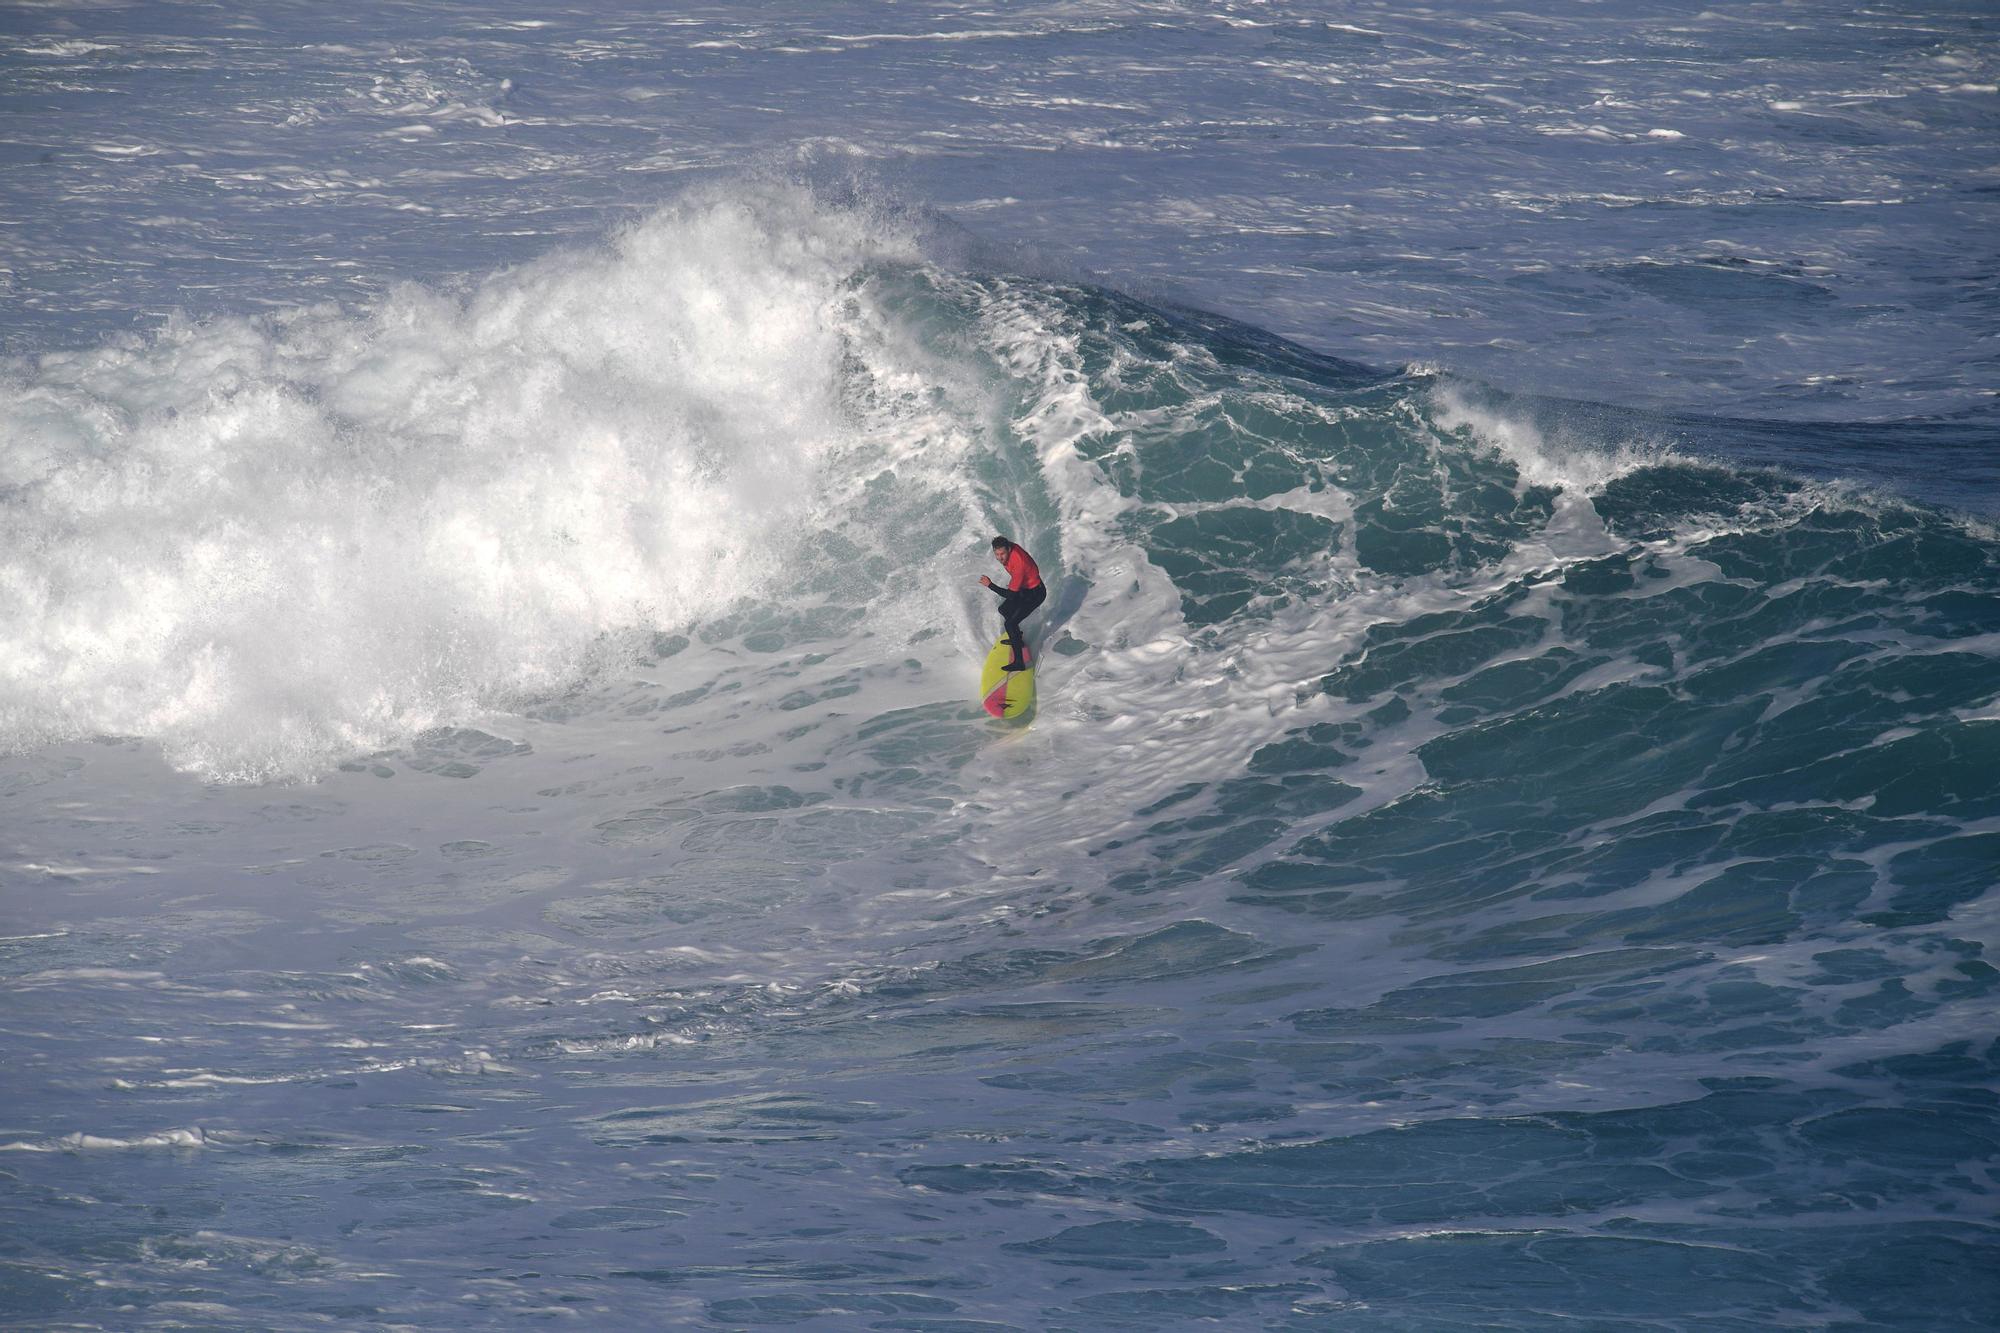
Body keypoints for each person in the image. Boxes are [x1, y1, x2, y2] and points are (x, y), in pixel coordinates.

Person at [980, 535, 1045, 672]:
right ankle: (1017, 638)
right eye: (997, 554)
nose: (1000, 558)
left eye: (1003, 554)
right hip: (1026, 589)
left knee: (1010, 624)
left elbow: (1011, 595)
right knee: (1004, 609)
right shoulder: (1008, 548)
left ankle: (1019, 663)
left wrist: (990, 585)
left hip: (1035, 594)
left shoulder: (1018, 563)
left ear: (1009, 550)